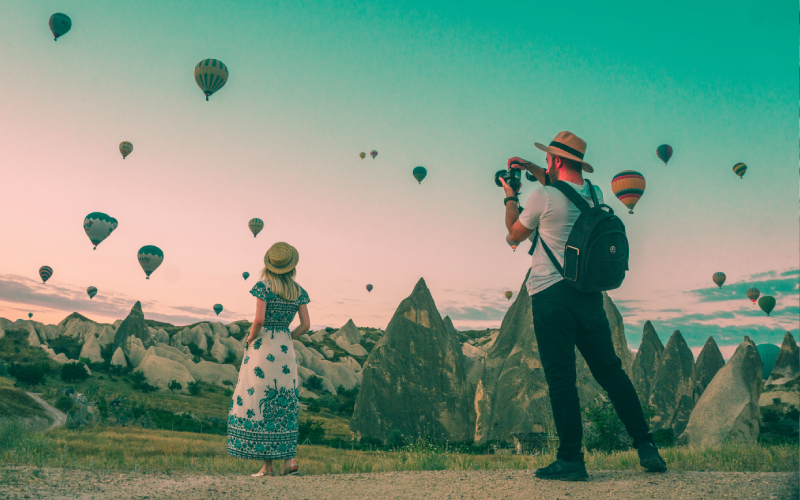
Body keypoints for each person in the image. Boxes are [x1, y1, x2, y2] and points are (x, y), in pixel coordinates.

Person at [501, 131, 667, 481]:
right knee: (611, 372)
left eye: (548, 159)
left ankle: (571, 459)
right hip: (591, 297)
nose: (545, 164)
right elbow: (564, 188)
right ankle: (646, 445)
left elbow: (514, 235)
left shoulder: (541, 197)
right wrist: (531, 165)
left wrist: (510, 197)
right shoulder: (595, 195)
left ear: (557, 161)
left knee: (561, 380)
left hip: (550, 297)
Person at [227, 241, 311, 477]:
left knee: (262, 399)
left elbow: (259, 320)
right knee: (286, 400)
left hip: (263, 349)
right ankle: (290, 461)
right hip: (285, 350)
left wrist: (249, 339)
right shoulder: (299, 291)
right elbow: (306, 325)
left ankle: (267, 467)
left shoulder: (263, 286)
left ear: (269, 265)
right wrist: (287, 336)